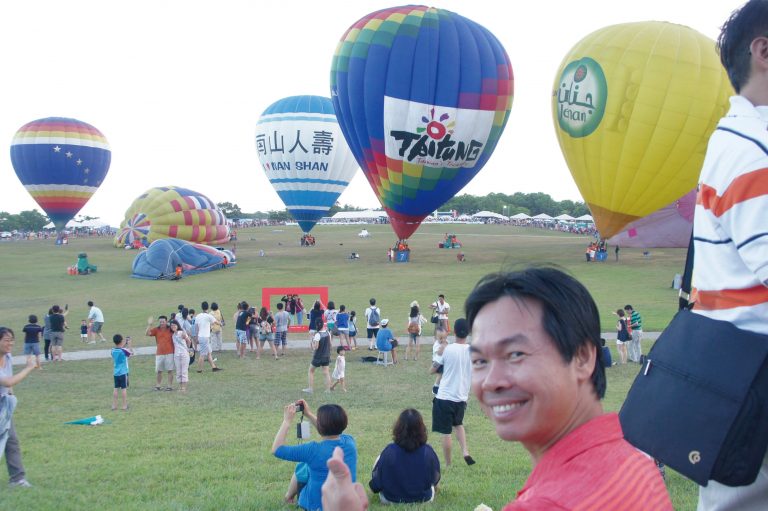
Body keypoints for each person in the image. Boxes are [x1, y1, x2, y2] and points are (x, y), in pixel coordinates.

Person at [466, 267, 671, 509]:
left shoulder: (546, 503)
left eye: (515, 354)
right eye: (480, 361)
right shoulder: (637, 465)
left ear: (582, 357)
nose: (491, 381)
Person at [689, 3, 768, 507]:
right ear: (764, 51)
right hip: (754, 381)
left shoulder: (738, 141)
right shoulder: (753, 150)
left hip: (732, 378)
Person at [273, 400, 357, 511]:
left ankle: (288, 497)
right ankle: (289, 496)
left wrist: (287, 421)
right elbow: (329, 429)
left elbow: (277, 450)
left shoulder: (312, 450)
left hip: (319, 506)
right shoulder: (350, 442)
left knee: (302, 466)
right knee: (305, 466)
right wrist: (308, 414)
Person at [369, 408, 440, 504]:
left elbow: (377, 482)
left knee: (380, 458)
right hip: (423, 499)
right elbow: (434, 478)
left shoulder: (389, 451)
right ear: (421, 428)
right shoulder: (427, 451)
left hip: (390, 499)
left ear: (398, 428)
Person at [431, 318, 474, 467]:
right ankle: (465, 452)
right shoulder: (472, 351)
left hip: (445, 396)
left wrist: (439, 354)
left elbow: (433, 370)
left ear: (454, 332)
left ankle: (448, 464)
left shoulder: (447, 349)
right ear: (468, 333)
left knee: (446, 432)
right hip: (461, 397)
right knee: (458, 424)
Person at [0, 327, 37, 488]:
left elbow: (9, 385)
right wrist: (28, 368)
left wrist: (10, 399)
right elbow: (7, 381)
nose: (10, 343)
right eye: (7, 340)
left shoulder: (7, 357)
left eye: (12, 340)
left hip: (3, 405)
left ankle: (17, 479)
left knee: (11, 441)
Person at [146, 315, 174, 391]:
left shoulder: (170, 329)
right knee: (159, 371)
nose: (162, 323)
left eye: (163, 322)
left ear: (166, 321)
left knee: (170, 370)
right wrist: (149, 325)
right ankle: (158, 385)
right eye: (160, 322)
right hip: (159, 353)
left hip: (170, 352)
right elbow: (147, 333)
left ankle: (169, 386)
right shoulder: (156, 330)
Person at [304, 318, 332, 394]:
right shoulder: (328, 333)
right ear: (323, 324)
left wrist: (312, 341)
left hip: (318, 356)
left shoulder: (317, 335)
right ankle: (328, 390)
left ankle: (310, 389)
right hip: (326, 356)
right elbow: (330, 344)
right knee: (326, 373)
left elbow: (315, 347)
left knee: (311, 371)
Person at [193, 302, 221, 373]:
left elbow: (196, 327)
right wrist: (221, 324)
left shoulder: (198, 316)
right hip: (204, 337)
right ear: (207, 308)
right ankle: (199, 370)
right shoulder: (209, 316)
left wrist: (196, 337)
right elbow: (216, 322)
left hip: (201, 337)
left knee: (209, 353)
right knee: (202, 354)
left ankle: (214, 367)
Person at [111, 334, 133, 409]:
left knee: (116, 388)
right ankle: (124, 405)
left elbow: (120, 348)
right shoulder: (124, 351)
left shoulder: (112, 350)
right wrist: (129, 345)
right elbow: (131, 353)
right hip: (123, 372)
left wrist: (125, 343)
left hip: (116, 372)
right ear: (121, 341)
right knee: (123, 389)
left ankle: (114, 405)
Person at [169, 320, 191, 391]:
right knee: (178, 371)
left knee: (184, 370)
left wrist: (188, 349)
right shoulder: (173, 335)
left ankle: (184, 387)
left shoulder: (181, 333)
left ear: (177, 325)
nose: (173, 327)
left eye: (174, 325)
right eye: (171, 326)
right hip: (176, 355)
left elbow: (189, 341)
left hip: (184, 354)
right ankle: (180, 386)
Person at [431, 325, 448, 395]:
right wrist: (443, 347)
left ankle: (441, 386)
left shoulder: (446, 342)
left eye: (444, 338)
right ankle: (435, 387)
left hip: (443, 362)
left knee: (444, 375)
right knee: (440, 375)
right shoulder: (436, 344)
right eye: (441, 338)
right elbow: (439, 353)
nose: (443, 340)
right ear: (435, 338)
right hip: (437, 363)